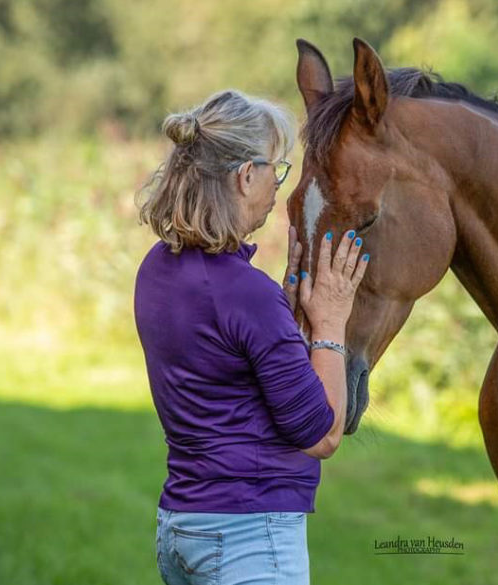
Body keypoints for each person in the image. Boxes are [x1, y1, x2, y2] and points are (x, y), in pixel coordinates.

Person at [133, 89, 369, 585]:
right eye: (277, 171)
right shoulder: (246, 294)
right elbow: (322, 434)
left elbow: (224, 374)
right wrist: (329, 321)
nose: (278, 187)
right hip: (247, 537)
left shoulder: (155, 269)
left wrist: (280, 322)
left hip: (182, 525)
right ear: (245, 176)